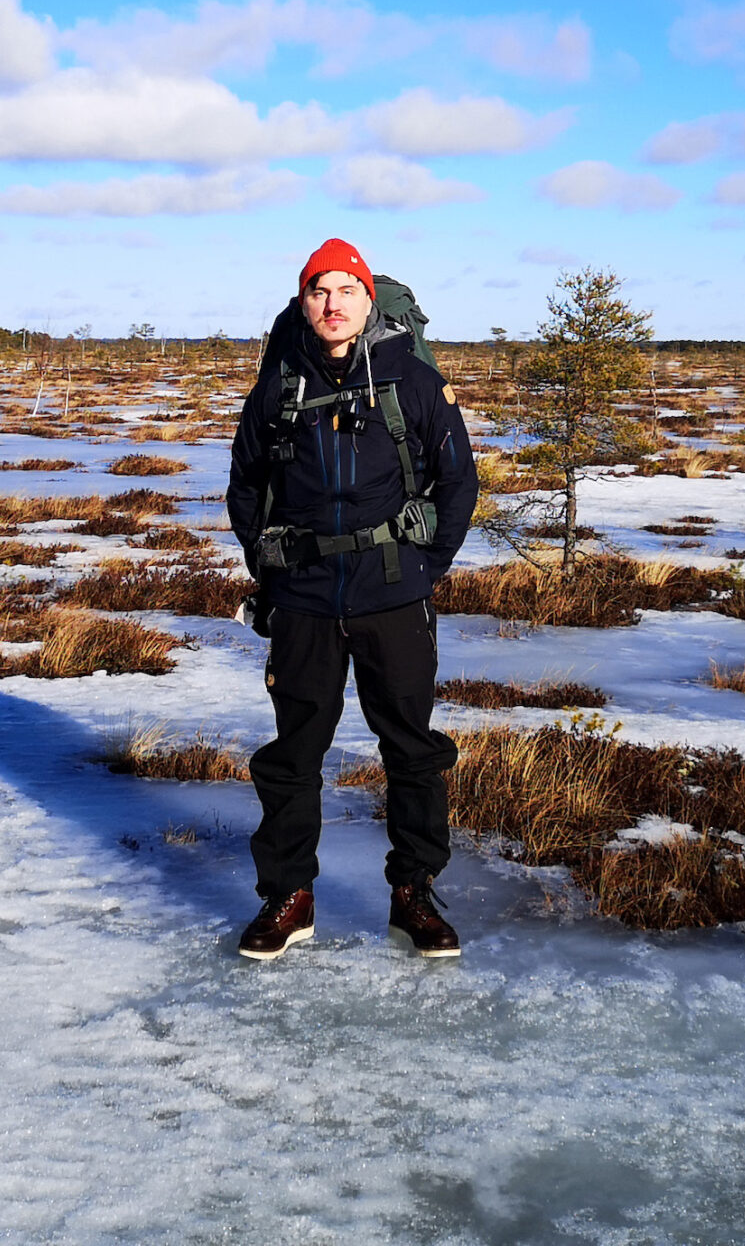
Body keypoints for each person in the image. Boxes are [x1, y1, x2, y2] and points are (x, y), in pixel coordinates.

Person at [225, 237, 478, 960]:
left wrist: (426, 566)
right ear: (302, 302)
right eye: (318, 291)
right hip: (303, 597)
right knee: (292, 756)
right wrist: (270, 565)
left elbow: (458, 482)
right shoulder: (278, 388)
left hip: (393, 595)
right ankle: (288, 897)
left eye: (346, 290)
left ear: (370, 300)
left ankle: (415, 896)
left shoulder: (415, 383)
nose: (332, 305)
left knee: (413, 752)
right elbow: (246, 485)